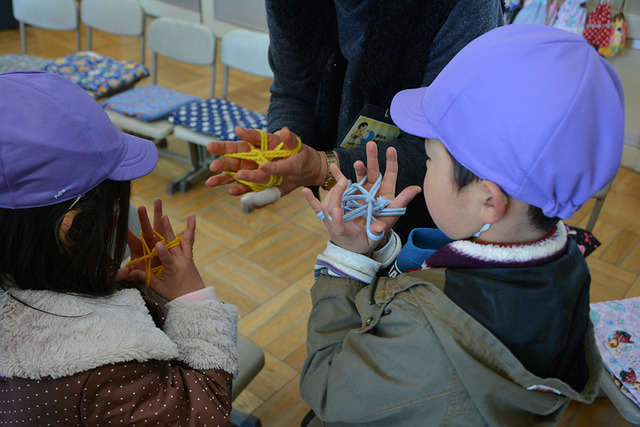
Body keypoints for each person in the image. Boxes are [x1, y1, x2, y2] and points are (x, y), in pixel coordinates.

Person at [298, 24, 623, 425]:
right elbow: (447, 280)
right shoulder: (566, 258)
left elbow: (327, 386)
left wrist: (345, 263)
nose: (425, 168)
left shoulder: (426, 332)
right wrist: (380, 252)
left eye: (431, 160)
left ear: (489, 201)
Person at [0, 71, 238, 426]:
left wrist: (100, 282)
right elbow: (206, 412)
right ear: (69, 227)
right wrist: (192, 302)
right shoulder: (106, 374)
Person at [206, 0, 505, 243]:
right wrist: (284, 150)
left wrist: (323, 166)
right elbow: (293, 89)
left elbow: (443, 150)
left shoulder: (463, 8)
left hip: (436, 225)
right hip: (352, 211)